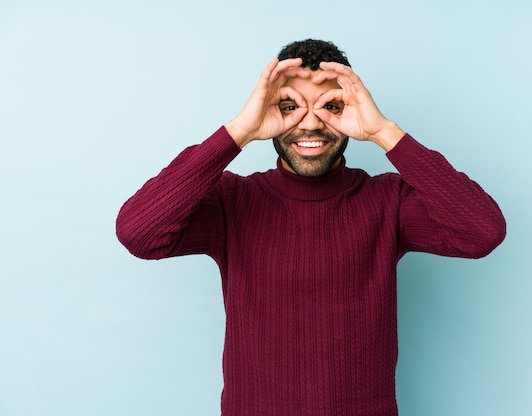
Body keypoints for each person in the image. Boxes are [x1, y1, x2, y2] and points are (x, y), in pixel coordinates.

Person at [116, 39, 506, 416]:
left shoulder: (389, 201)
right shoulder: (232, 201)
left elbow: (482, 231)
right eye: (289, 106)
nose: (310, 123)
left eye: (331, 106)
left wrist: (384, 132)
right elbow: (138, 232)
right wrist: (239, 132)